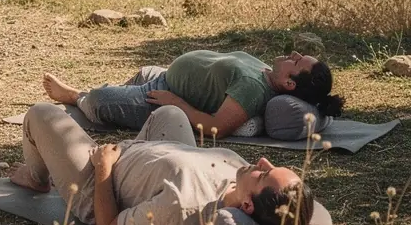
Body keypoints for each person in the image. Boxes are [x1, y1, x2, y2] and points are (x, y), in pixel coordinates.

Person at [11, 102, 326, 225]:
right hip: (147, 158)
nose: (262, 160)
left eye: (262, 175)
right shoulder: (239, 177)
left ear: (246, 206)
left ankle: (36, 176)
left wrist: (103, 167)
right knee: (169, 113)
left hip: (97, 182)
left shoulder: (182, 207)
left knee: (41, 114)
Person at [42, 50, 344, 138]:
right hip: (162, 78)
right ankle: (113, 95)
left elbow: (216, 128)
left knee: (99, 100)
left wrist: (177, 104)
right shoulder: (266, 71)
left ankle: (75, 97)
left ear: (290, 84)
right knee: (136, 77)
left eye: (296, 61)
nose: (293, 53)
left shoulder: (255, 88)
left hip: (163, 99)